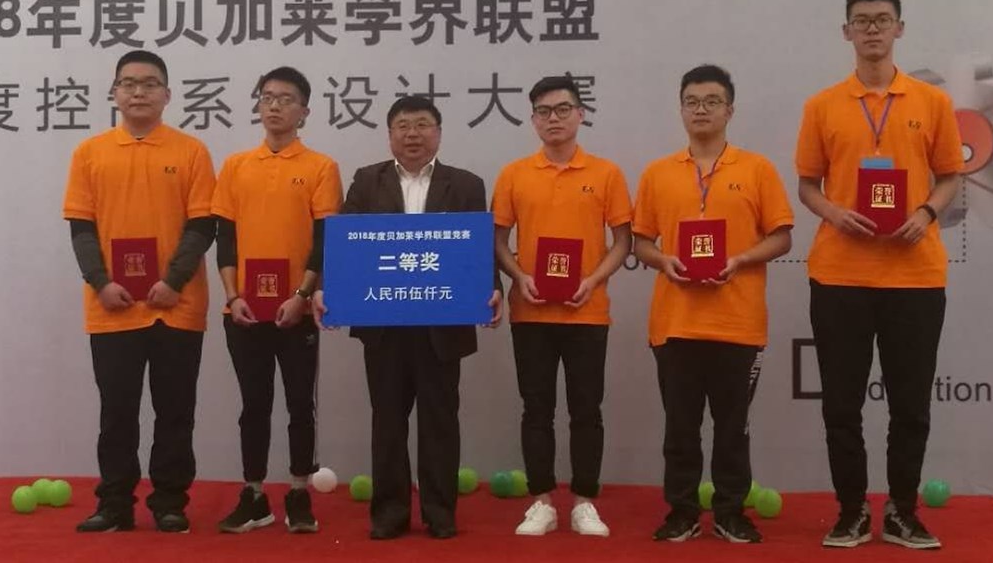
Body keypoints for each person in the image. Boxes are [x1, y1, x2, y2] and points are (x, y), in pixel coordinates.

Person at [795, 0, 963, 550]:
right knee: (841, 404)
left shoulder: (931, 102)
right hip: (839, 275)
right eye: (862, 20)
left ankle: (901, 512)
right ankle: (850, 512)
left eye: (882, 19)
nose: (872, 29)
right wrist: (835, 213)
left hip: (915, 275)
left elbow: (950, 175)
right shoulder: (822, 105)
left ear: (899, 29)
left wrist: (926, 212)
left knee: (910, 404)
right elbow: (807, 185)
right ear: (846, 31)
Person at [313, 95, 502, 540]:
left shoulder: (466, 184)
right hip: (385, 326)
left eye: (422, 124)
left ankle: (440, 512)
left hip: (443, 325)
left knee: (440, 422)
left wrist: (492, 288)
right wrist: (328, 289)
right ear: (390, 134)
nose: (412, 134)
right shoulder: (367, 181)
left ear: (438, 133)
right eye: (402, 125)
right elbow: (346, 246)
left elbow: (477, 248)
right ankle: (389, 513)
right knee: (387, 422)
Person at [632, 64, 793, 544]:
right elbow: (641, 242)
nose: (701, 110)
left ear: (730, 110)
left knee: (733, 428)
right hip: (675, 323)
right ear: (681, 109)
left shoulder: (757, 169)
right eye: (692, 101)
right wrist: (664, 260)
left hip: (738, 324)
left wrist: (740, 259)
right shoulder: (658, 173)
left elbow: (782, 236)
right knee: (680, 428)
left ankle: (730, 511)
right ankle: (681, 511)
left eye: (712, 101)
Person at [63, 50, 216, 533]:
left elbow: (202, 226)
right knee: (117, 412)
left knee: (176, 411)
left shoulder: (191, 152)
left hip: (176, 306)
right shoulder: (89, 153)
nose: (138, 92)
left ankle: (170, 502)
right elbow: (81, 229)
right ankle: (114, 504)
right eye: (128, 84)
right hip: (112, 308)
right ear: (114, 93)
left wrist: (172, 282)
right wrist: (101, 283)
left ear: (167, 95)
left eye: (149, 84)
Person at [492, 76, 632, 537]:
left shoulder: (606, 173)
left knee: (586, 409)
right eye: (544, 111)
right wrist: (519, 276)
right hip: (531, 311)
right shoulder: (514, 174)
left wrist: (593, 280)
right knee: (536, 409)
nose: (554, 118)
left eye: (563, 109)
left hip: (587, 311)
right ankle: (542, 502)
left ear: (580, 114)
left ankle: (585, 502)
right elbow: (498, 239)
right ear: (533, 120)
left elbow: (623, 240)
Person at [212, 67, 342, 534]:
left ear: (304, 111)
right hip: (244, 311)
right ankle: (253, 495)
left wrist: (302, 295)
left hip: (296, 311)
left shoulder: (321, 167)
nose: (274, 106)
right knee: (254, 405)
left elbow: (324, 240)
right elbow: (225, 239)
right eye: (267, 97)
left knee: (299, 404)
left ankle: (299, 493)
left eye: (286, 99)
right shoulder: (236, 166)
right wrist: (233, 297)